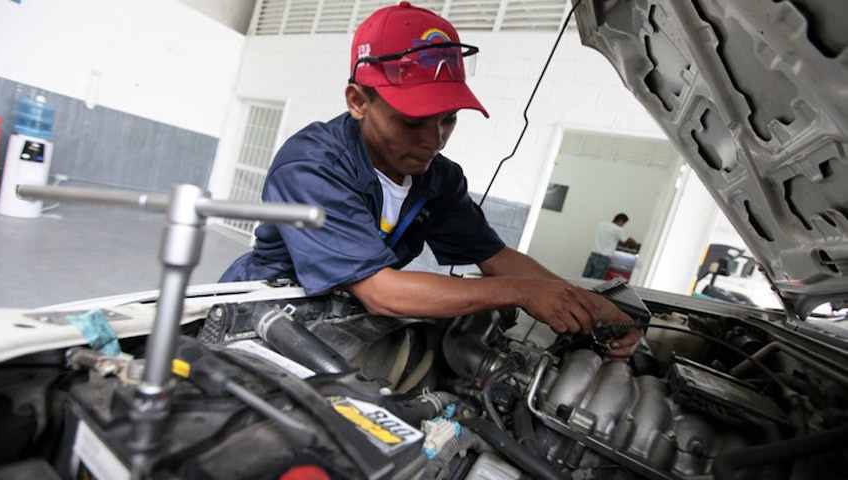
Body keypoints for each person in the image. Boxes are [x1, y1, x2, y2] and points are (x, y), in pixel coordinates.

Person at [221, 2, 640, 357]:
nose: (433, 141)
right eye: (412, 122)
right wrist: (521, 292)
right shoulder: (312, 166)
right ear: (357, 101)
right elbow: (382, 291)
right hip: (253, 321)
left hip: (340, 326)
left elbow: (495, 257)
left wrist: (590, 306)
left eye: (448, 119)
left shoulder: (437, 179)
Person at [583, 213, 639, 280]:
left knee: (584, 278)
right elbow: (626, 241)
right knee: (595, 280)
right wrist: (636, 244)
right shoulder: (618, 229)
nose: (623, 226)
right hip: (604, 258)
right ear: (621, 221)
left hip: (593, 255)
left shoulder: (602, 224)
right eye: (624, 223)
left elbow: (608, 238)